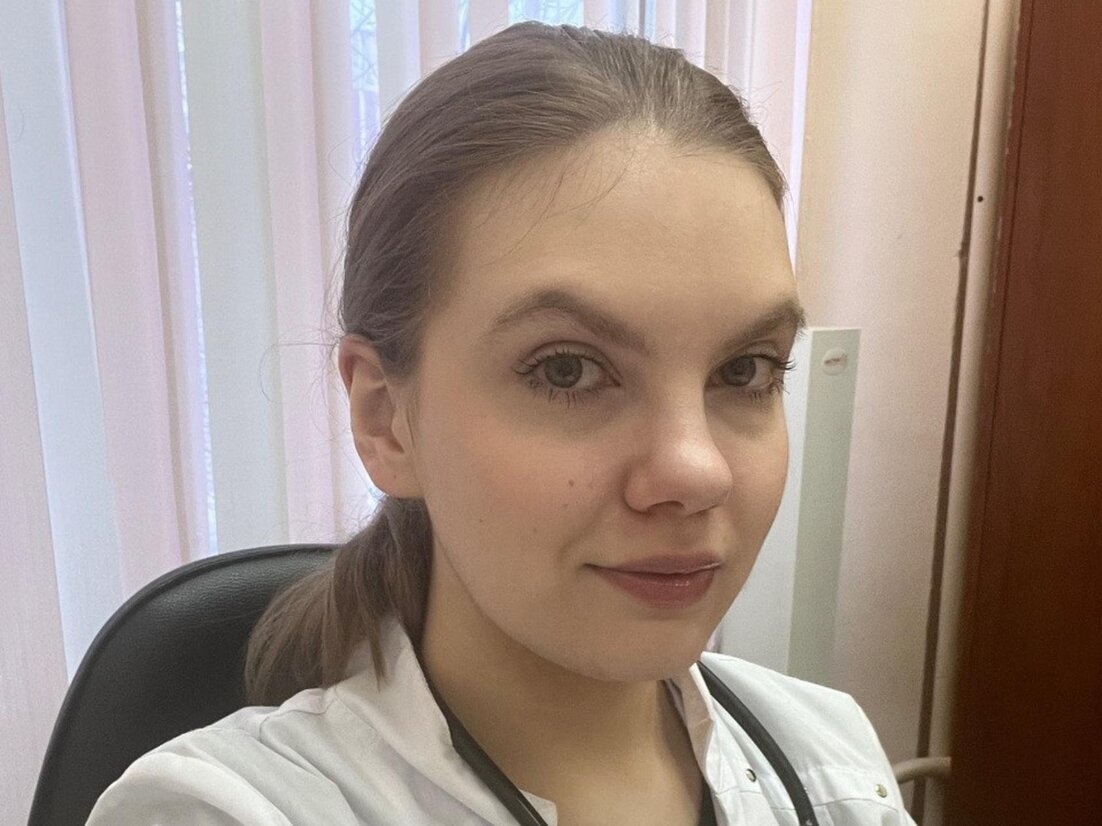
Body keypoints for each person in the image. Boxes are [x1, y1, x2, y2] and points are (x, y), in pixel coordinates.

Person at [88, 21, 915, 826]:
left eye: (746, 371)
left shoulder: (832, 765)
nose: (698, 472)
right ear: (386, 420)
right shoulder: (219, 810)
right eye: (567, 370)